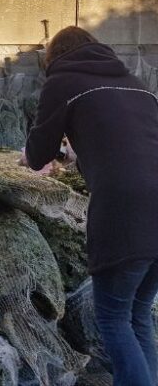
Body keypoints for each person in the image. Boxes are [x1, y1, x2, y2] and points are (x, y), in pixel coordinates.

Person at [24, 26, 158, 386]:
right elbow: (127, 151)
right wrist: (76, 154)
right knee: (139, 314)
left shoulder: (63, 80)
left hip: (125, 212)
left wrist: (31, 156)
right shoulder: (137, 86)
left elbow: (38, 154)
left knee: (113, 317)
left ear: (53, 58)